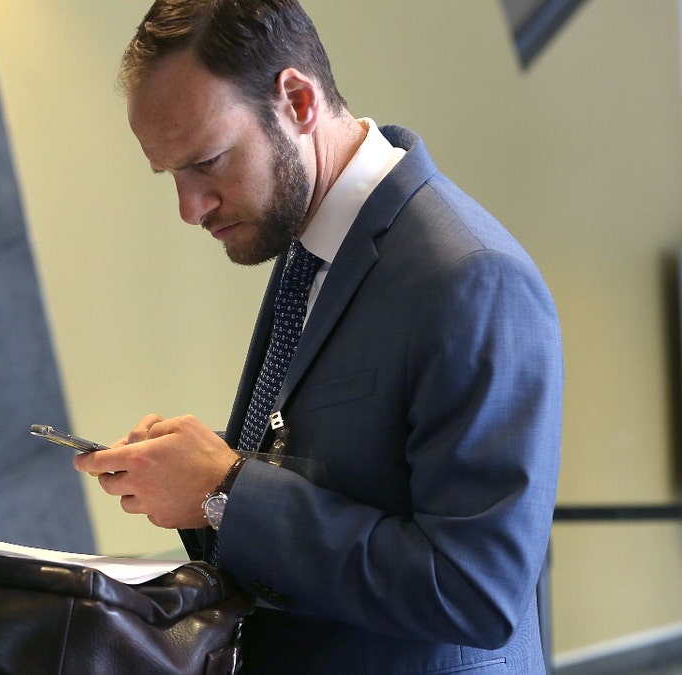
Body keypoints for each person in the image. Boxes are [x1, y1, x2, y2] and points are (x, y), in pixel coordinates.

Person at [74, 1, 563, 672]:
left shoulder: (475, 277)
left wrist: (228, 490)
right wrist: (193, 478)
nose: (190, 208)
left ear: (298, 101)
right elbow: (348, 471)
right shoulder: (309, 250)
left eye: (207, 162)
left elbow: (476, 591)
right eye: (172, 175)